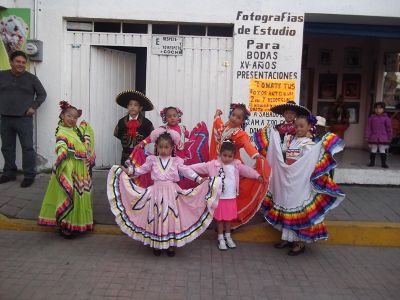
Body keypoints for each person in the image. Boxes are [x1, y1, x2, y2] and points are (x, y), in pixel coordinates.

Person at [107, 128, 222, 257]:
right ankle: (157, 244)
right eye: (161, 147)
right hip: (155, 193)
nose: (163, 150)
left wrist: (200, 179)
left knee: (171, 218)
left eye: (166, 147)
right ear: (156, 147)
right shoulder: (152, 160)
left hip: (172, 194)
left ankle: (170, 245)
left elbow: (186, 171)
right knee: (156, 217)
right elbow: (141, 170)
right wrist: (128, 171)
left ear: (172, 147)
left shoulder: (176, 161)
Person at [254, 113, 345, 256]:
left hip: (301, 182)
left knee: (298, 209)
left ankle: (299, 243)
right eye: (296, 126)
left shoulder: (309, 145)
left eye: (302, 126)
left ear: (310, 126)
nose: (298, 129)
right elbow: (284, 155)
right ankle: (287, 238)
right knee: (286, 206)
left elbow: (310, 162)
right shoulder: (292, 140)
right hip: (290, 180)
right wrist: (275, 138)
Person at [190, 141, 263, 250]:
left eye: (230, 156)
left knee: (228, 219)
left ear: (234, 156)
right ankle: (220, 238)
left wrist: (257, 175)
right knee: (219, 220)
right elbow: (199, 167)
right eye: (225, 155)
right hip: (218, 198)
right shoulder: (212, 165)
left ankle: (228, 236)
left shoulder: (236, 165)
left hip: (231, 197)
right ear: (220, 153)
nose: (227, 158)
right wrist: (185, 168)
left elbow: (247, 171)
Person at [38, 101, 95, 239]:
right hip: (69, 168)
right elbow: (61, 143)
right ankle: (65, 225)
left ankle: (79, 223)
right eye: (69, 116)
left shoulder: (77, 130)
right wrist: (62, 152)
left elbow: (85, 131)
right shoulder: (61, 131)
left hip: (80, 169)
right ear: (62, 115)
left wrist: (86, 141)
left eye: (75, 117)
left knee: (80, 195)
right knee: (69, 194)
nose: (72, 119)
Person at [209, 103, 270, 228]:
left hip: (232, 167)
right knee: (218, 193)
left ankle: (231, 221)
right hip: (220, 164)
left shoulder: (240, 134)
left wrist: (256, 155)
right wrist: (217, 115)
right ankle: (219, 220)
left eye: (238, 117)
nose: (234, 118)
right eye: (233, 115)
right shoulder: (224, 127)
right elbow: (218, 123)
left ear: (242, 121)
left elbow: (247, 145)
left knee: (233, 194)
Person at [0, 50, 47, 187]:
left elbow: (42, 94)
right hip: (5, 118)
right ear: (11, 62)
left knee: (27, 148)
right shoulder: (2, 75)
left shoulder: (31, 78)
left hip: (23, 119)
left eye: (23, 62)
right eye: (18, 62)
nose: (21, 64)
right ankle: (9, 173)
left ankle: (29, 175)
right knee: (7, 147)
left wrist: (33, 106)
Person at [134, 106, 209, 188]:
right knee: (168, 177)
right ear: (165, 118)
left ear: (178, 117)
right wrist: (142, 143)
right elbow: (151, 137)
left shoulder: (182, 129)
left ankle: (179, 193)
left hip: (181, 158)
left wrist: (199, 133)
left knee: (181, 176)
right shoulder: (163, 129)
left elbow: (191, 136)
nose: (172, 118)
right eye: (169, 116)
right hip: (167, 157)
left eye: (174, 115)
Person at [113, 90, 154, 165]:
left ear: (140, 108)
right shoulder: (121, 122)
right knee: (124, 175)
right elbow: (118, 134)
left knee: (138, 173)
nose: (132, 107)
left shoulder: (146, 123)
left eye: (135, 105)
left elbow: (151, 136)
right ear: (127, 107)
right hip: (125, 154)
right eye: (130, 105)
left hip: (139, 154)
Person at [365, 102, 392, 168]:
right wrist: (366, 135)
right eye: (376, 108)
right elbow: (368, 128)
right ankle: (372, 162)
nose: (378, 110)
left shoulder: (386, 118)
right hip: (373, 137)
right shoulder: (371, 118)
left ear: (383, 109)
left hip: (383, 137)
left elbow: (389, 128)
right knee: (373, 149)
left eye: (380, 108)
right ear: (374, 109)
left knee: (382, 149)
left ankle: (384, 163)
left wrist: (390, 137)